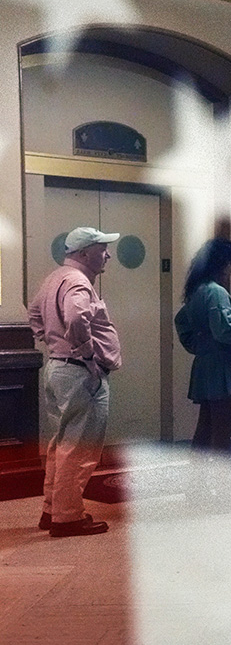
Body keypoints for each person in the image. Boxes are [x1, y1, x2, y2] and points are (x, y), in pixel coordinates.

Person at [28, 226, 123, 537]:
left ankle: (52, 508)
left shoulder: (54, 278)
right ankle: (67, 517)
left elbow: (33, 313)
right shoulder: (79, 282)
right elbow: (75, 317)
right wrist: (87, 354)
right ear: (84, 253)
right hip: (80, 372)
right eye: (101, 249)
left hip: (58, 368)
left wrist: (51, 342)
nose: (107, 254)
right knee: (80, 448)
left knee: (61, 444)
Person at [174, 238, 231, 512]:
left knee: (204, 432)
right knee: (223, 434)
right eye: (230, 264)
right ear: (220, 264)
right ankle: (223, 494)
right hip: (223, 368)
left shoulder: (196, 292)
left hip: (204, 367)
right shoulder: (216, 293)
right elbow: (227, 331)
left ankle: (195, 490)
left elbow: (183, 326)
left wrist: (202, 347)